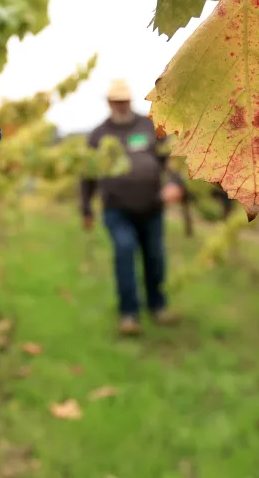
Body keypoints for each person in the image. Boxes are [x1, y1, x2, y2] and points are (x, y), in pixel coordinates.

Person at [80, 79, 184, 336]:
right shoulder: (99, 134)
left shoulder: (149, 125)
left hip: (152, 206)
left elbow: (171, 157)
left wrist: (174, 183)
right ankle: (129, 314)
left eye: (124, 101)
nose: (121, 105)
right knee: (124, 251)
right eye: (116, 101)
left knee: (155, 257)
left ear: (130, 100)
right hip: (117, 208)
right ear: (109, 103)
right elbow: (88, 174)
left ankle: (157, 307)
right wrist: (86, 209)